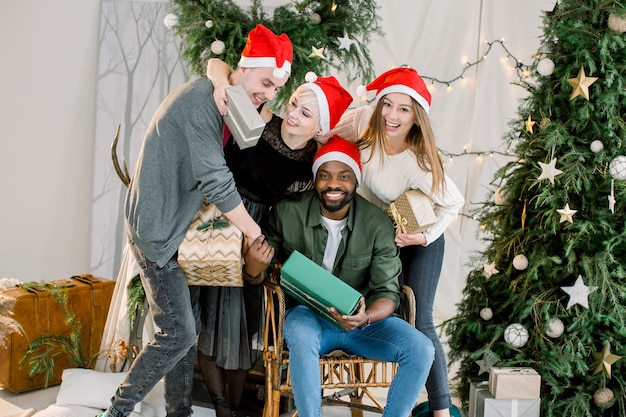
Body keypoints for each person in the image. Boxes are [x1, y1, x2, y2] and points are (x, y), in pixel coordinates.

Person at [99, 24, 292, 417]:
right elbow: (216, 180)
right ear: (246, 68)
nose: (270, 94)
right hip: (156, 231)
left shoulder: (225, 96)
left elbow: (218, 66)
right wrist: (253, 232)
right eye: (267, 82)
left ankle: (179, 411)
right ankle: (115, 412)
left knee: (184, 334)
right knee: (180, 332)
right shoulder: (203, 102)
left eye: (276, 88)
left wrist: (220, 74)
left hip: (176, 227)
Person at [198, 65, 354, 417]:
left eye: (306, 112)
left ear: (320, 126)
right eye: (295, 103)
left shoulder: (314, 160)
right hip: (219, 216)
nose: (293, 115)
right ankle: (221, 407)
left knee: (245, 319)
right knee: (210, 316)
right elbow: (216, 65)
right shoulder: (262, 118)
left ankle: (234, 407)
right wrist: (223, 83)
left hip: (261, 233)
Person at [262, 137, 435, 417]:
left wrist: (364, 318)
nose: (333, 184)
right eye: (325, 176)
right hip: (309, 318)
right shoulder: (287, 212)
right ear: (315, 180)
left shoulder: (376, 224)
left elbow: (388, 292)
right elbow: (265, 272)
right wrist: (255, 265)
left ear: (356, 182)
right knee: (300, 331)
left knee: (422, 349)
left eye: (344, 176)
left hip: (363, 324)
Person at [327, 67, 465, 417]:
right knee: (389, 312)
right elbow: (325, 136)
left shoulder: (418, 161)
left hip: (420, 240)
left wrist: (424, 236)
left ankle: (441, 410)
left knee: (420, 321)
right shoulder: (363, 122)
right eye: (388, 104)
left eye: (404, 109)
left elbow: (454, 203)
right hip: (384, 237)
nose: (392, 115)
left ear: (416, 116)